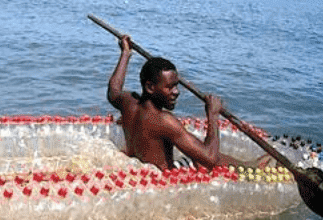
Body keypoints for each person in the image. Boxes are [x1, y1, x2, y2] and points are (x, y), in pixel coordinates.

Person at [107, 36, 265, 172]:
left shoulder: (128, 103)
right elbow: (210, 159)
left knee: (194, 152)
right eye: (169, 87)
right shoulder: (164, 120)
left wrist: (125, 54)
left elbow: (113, 90)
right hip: (163, 180)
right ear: (150, 87)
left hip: (142, 172)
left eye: (176, 85)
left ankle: (247, 165)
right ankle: (252, 168)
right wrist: (212, 115)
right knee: (204, 157)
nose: (176, 92)